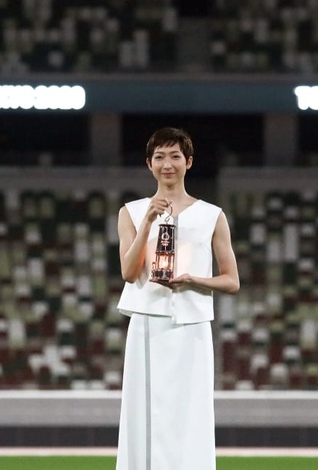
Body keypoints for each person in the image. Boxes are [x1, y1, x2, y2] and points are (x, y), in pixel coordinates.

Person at [115, 127, 240, 470]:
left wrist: (191, 281)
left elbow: (232, 280)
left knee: (191, 411)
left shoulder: (212, 215)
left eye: (174, 156)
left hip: (192, 325)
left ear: (189, 162)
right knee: (143, 410)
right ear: (148, 164)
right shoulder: (132, 212)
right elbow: (129, 272)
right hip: (146, 323)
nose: (167, 164)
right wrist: (148, 222)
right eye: (159, 157)